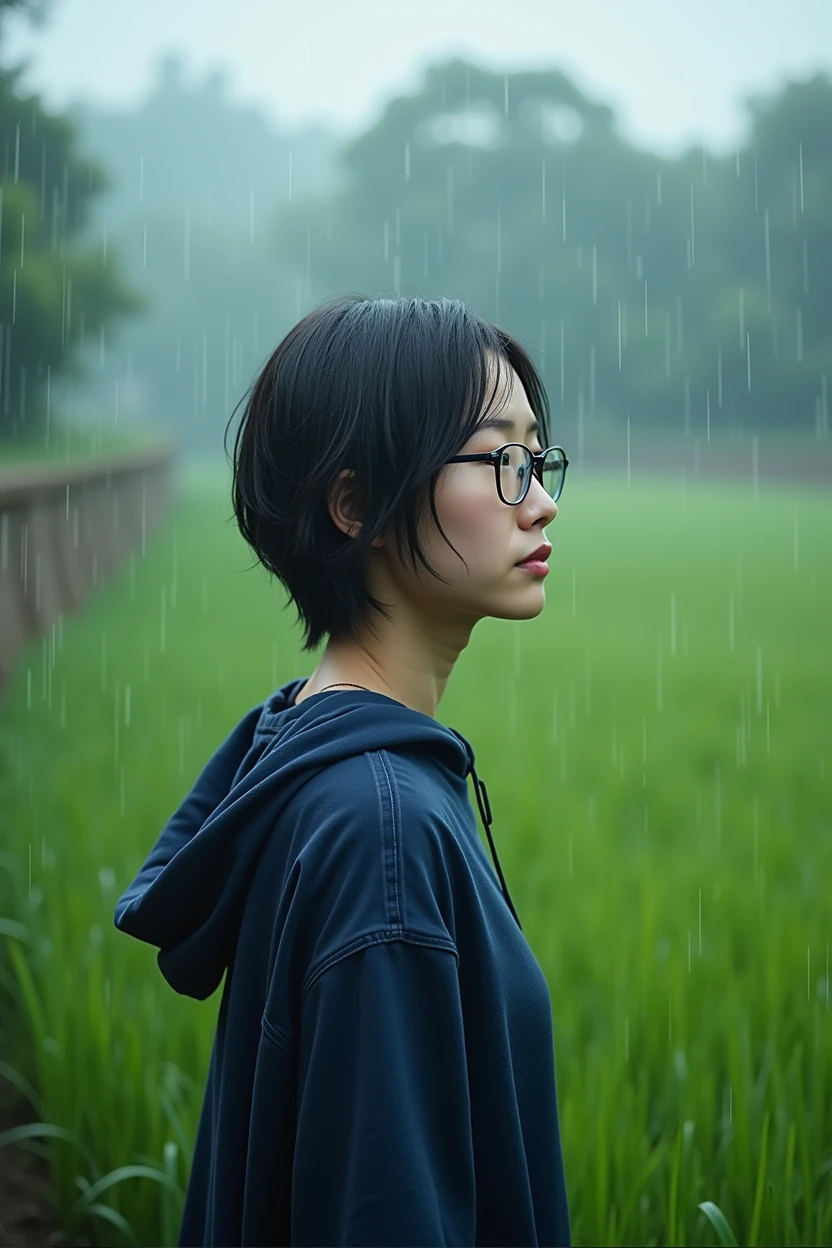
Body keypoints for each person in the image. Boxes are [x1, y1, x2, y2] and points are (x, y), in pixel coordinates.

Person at [114, 294, 571, 1247]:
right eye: (501, 461)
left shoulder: (316, 760)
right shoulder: (383, 828)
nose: (541, 499)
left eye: (538, 457)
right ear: (354, 503)